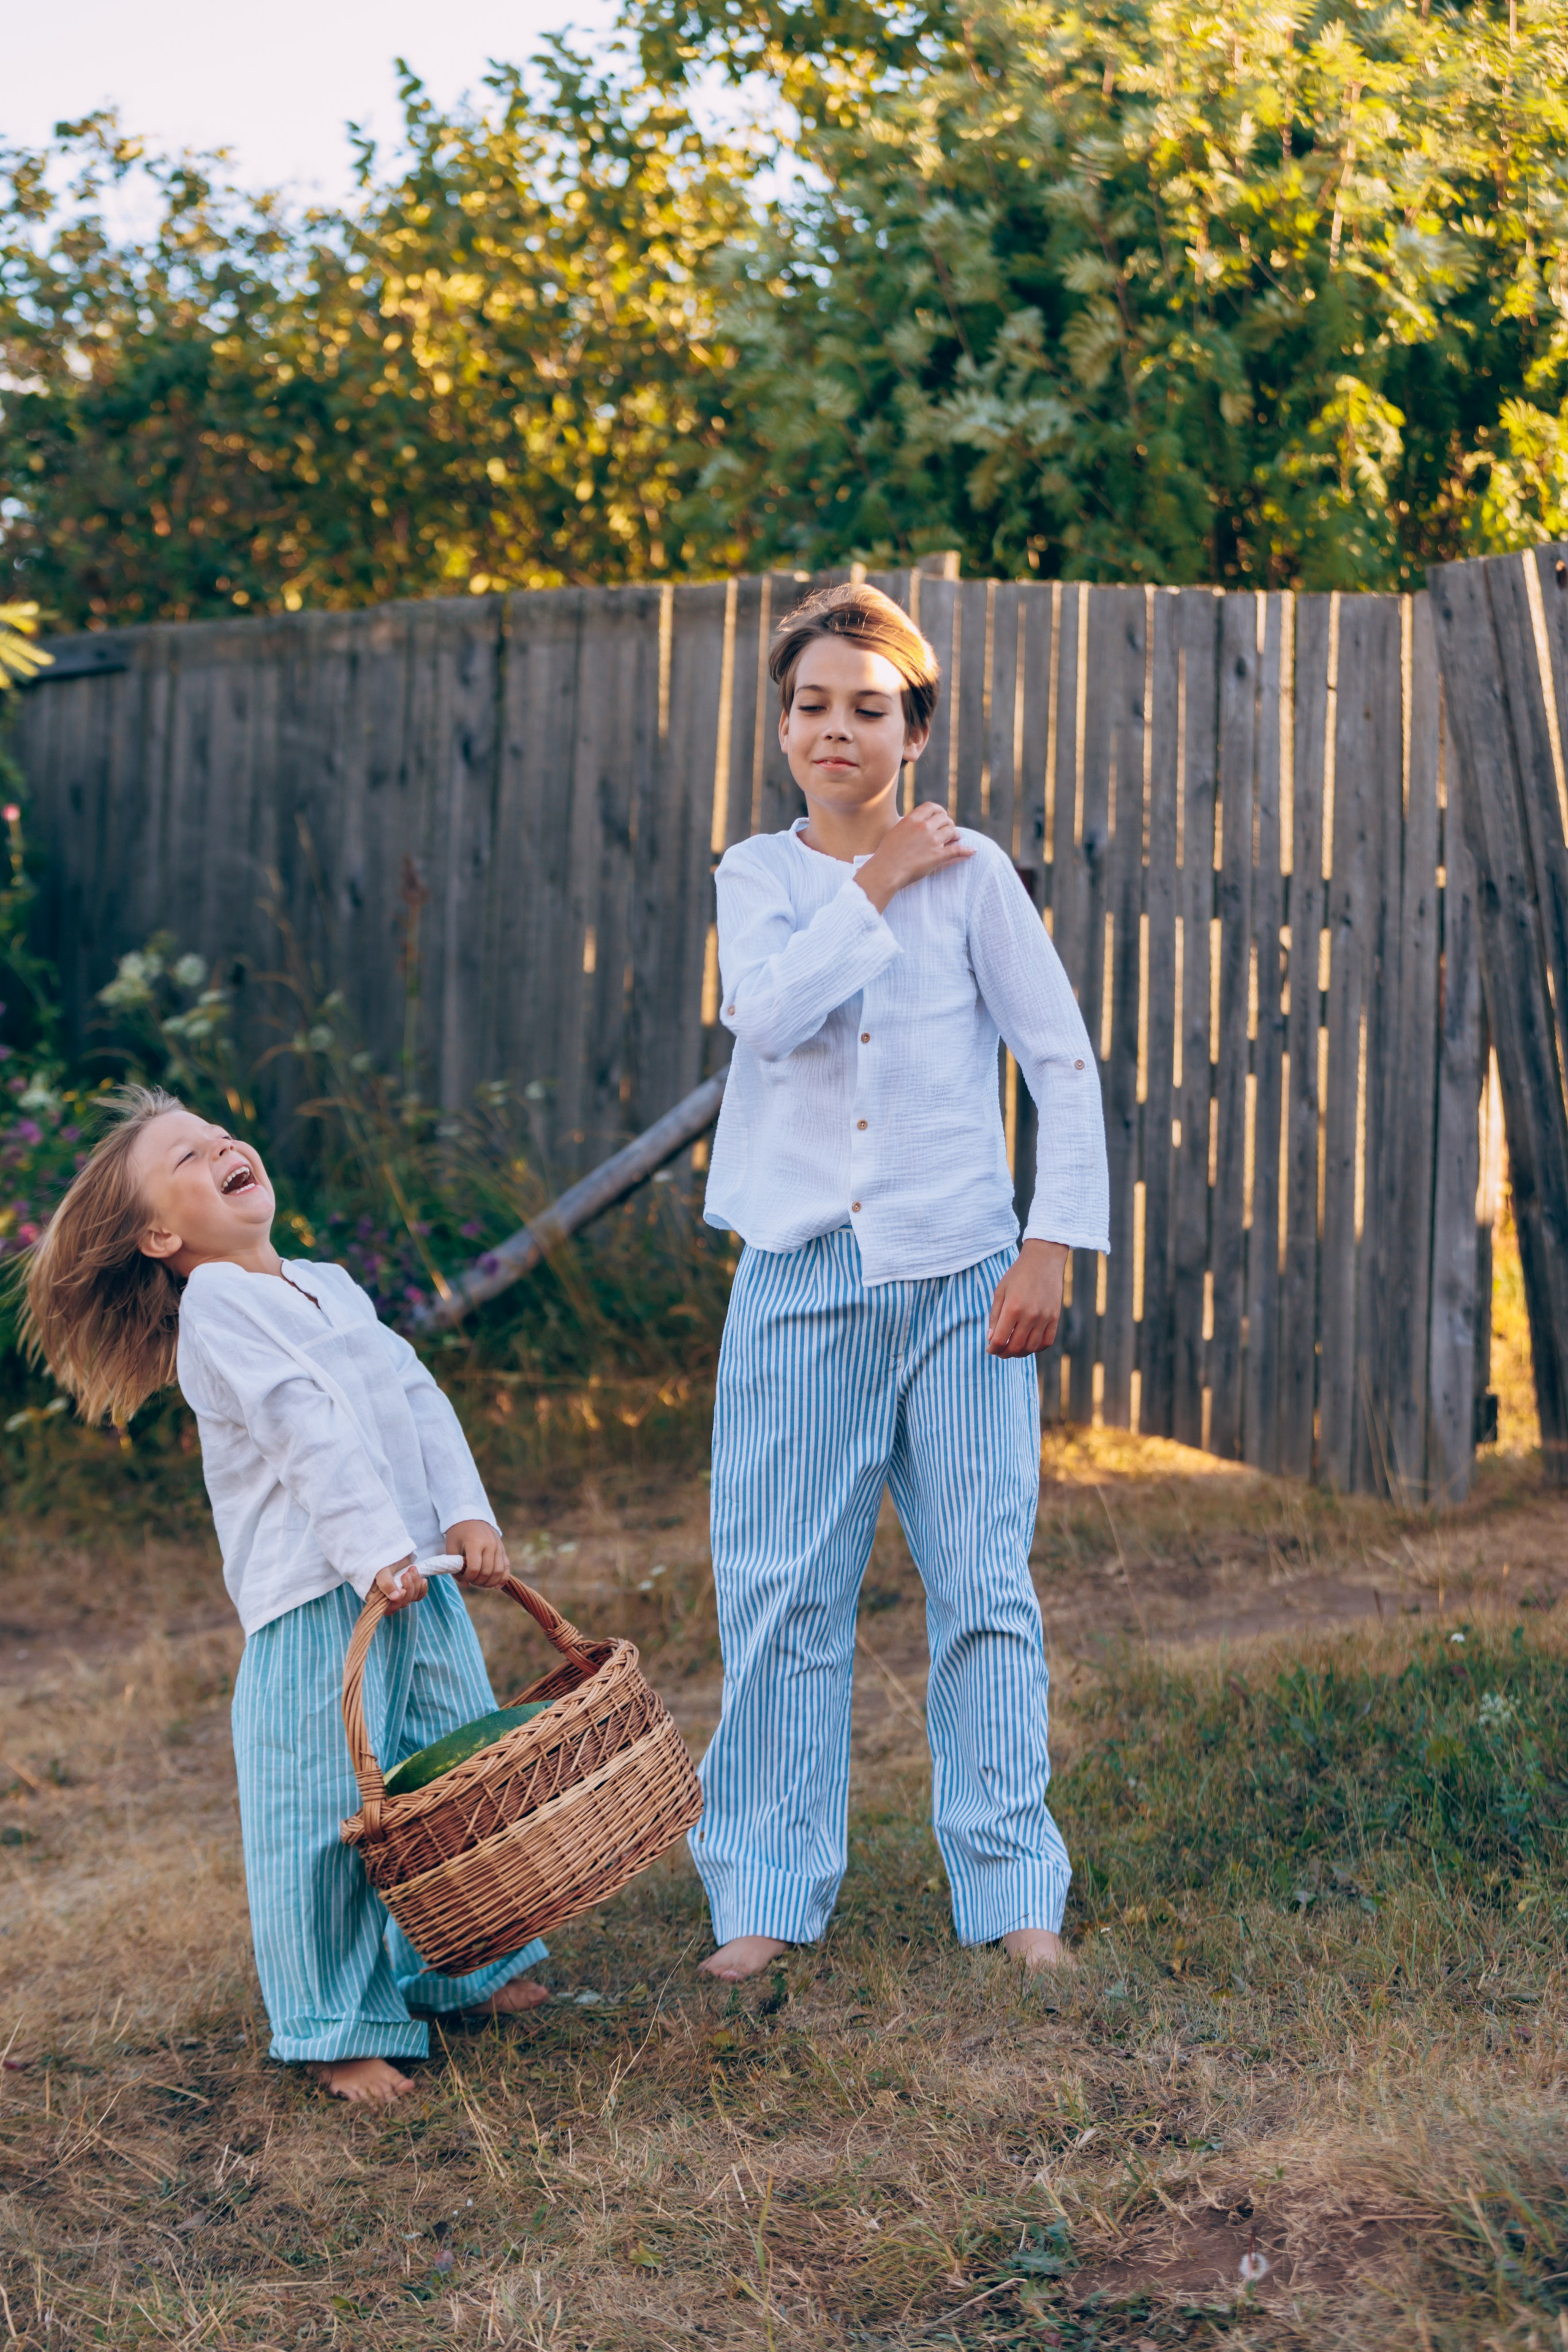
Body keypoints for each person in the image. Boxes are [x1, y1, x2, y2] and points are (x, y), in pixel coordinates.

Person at [693, 581, 1109, 1984]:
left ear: (913, 730)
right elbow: (765, 1022)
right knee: (780, 1595)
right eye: (811, 706)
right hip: (799, 1282)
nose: (835, 733)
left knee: (984, 1587)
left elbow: (1055, 1060)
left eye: (866, 710)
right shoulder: (754, 881)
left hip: (961, 1283)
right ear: (784, 724)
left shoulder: (980, 877)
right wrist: (872, 881)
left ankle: (1010, 1893)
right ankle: (761, 1893)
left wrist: (1048, 1239)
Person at [21, 1087, 549, 2105]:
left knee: (454, 1769)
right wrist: (373, 1554)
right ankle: (336, 2024)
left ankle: (468, 1966)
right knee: (322, 1811)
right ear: (163, 1234)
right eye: (186, 1156)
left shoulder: (328, 1283)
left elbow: (415, 1394)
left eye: (218, 1134)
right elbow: (301, 1427)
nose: (221, 1146)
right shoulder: (217, 1310)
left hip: (414, 1580)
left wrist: (463, 1517)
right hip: (322, 1601)